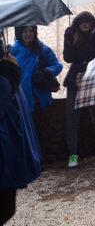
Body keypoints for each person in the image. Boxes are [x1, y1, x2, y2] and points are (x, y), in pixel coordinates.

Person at [0, 39, 41, 225]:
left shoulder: (7, 76)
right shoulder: (4, 78)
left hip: (10, 155)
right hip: (5, 157)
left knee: (7, 208)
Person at [11, 26, 63, 161]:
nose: (28, 34)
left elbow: (57, 66)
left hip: (40, 98)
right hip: (21, 99)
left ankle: (44, 158)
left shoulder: (42, 50)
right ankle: (31, 159)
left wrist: (46, 71)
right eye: (25, 31)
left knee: (42, 130)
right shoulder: (12, 51)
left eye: (31, 31)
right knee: (25, 132)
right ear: (19, 33)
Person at [63, 12, 95, 169]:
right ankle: (72, 153)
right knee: (72, 118)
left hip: (93, 78)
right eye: (81, 22)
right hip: (74, 79)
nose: (84, 24)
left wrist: (86, 60)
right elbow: (68, 57)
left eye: (87, 21)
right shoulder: (73, 36)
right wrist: (68, 40)